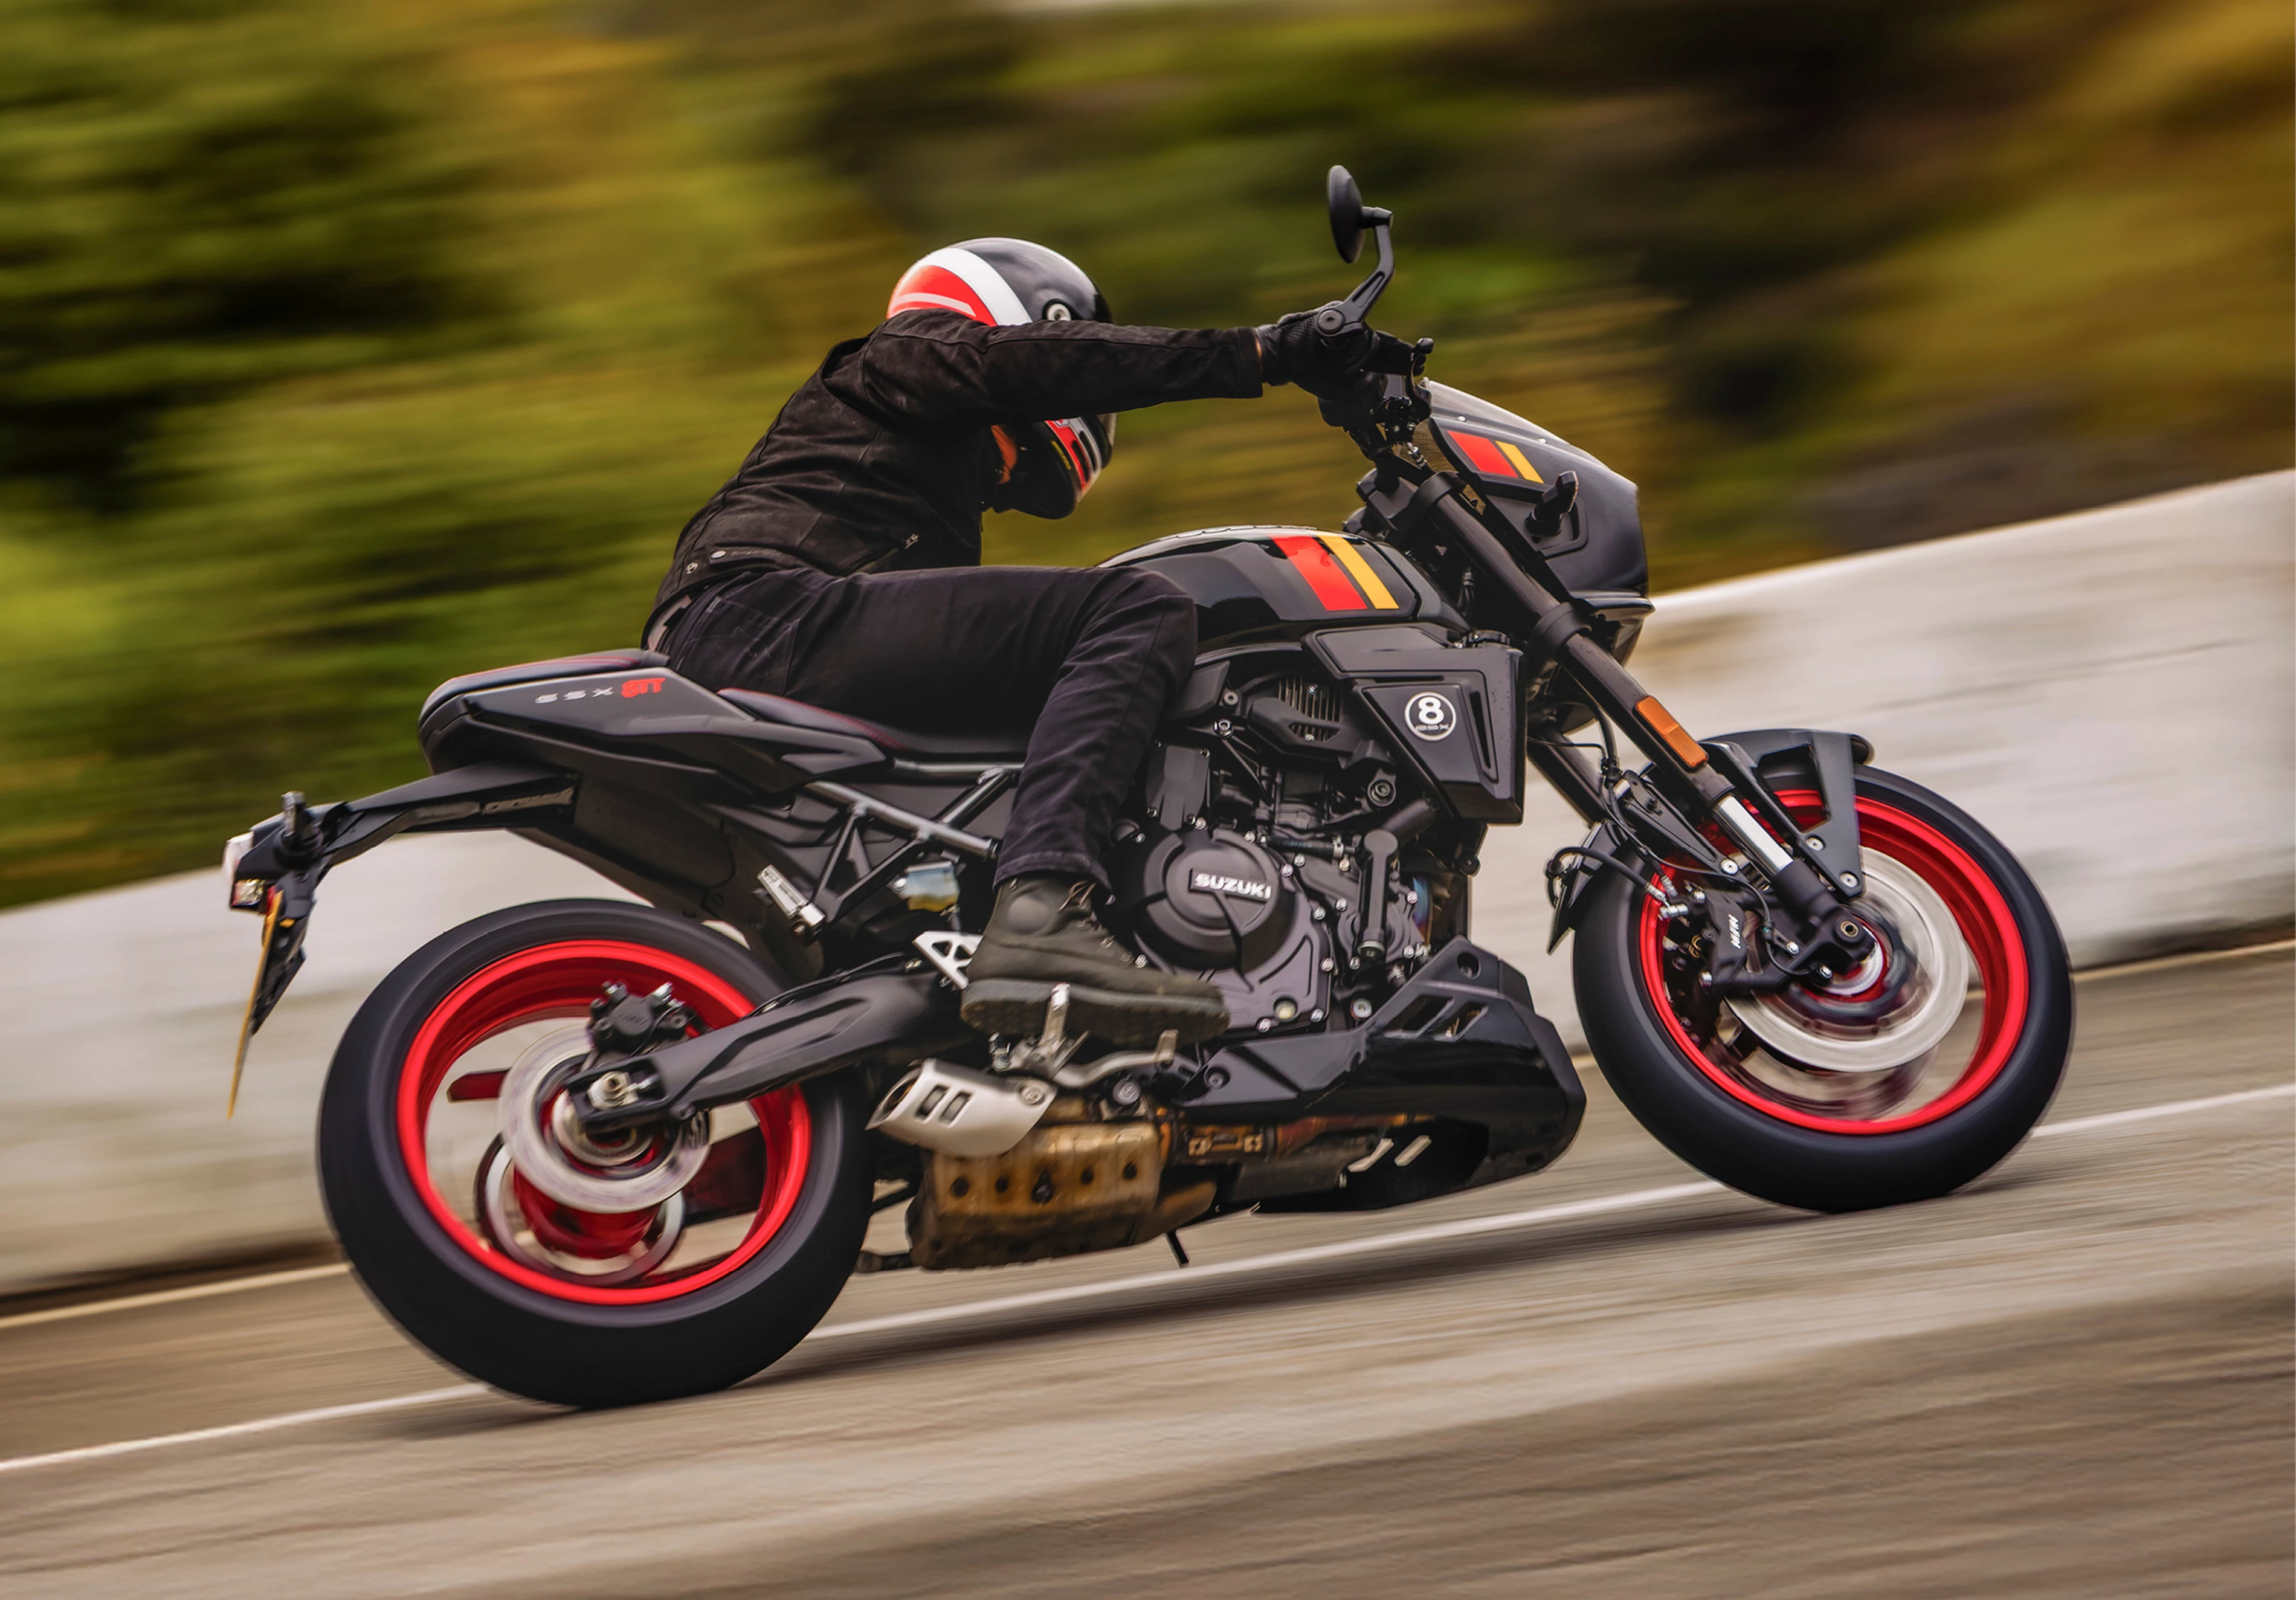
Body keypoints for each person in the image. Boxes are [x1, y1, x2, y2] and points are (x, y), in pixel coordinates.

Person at [647, 238, 1369, 1046]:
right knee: (1138, 610)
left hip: (769, 633)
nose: (1000, 482)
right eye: (1007, 461)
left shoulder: (915, 488)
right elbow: (1023, 366)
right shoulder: (904, 353)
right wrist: (1263, 353)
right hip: (767, 615)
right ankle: (1042, 914)